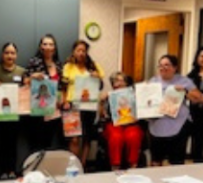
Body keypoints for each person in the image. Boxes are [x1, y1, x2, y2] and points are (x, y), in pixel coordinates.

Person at [147, 54, 203, 166]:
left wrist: (185, 91)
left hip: (178, 123)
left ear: (175, 67)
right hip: (157, 124)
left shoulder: (184, 81)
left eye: (167, 65)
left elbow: (198, 98)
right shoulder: (153, 81)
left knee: (176, 160)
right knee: (156, 159)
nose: (163, 68)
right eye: (161, 65)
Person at [0, 43, 26, 179]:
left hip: (16, 114)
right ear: (2, 55)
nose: (10, 56)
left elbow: (25, 90)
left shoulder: (21, 71)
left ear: (16, 55)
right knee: (2, 143)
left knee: (13, 143)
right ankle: (3, 170)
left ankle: (12, 170)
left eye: (13, 53)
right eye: (7, 53)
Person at [62, 40, 105, 168]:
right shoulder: (68, 66)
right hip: (72, 105)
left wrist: (97, 76)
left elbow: (100, 84)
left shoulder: (93, 66)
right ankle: (74, 166)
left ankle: (84, 164)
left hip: (89, 106)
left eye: (83, 50)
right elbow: (63, 86)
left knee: (87, 137)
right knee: (74, 138)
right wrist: (64, 100)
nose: (81, 53)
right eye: (78, 50)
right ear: (74, 52)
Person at [26, 34, 65, 152]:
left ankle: (45, 168)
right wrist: (33, 76)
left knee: (48, 142)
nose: (48, 47)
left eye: (51, 44)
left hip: (55, 109)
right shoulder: (34, 62)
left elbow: (62, 85)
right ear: (40, 47)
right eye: (45, 44)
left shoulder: (59, 65)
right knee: (36, 143)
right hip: (38, 108)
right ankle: (35, 169)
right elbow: (25, 81)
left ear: (54, 47)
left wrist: (62, 98)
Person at [100, 72, 144, 171]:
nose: (118, 83)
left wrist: (139, 97)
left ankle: (133, 165)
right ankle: (115, 166)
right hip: (114, 124)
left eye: (121, 81)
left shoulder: (134, 94)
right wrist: (102, 102)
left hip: (131, 123)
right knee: (116, 137)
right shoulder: (109, 95)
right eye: (115, 81)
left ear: (127, 83)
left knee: (133, 136)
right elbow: (102, 116)